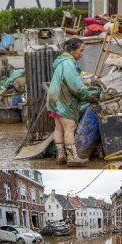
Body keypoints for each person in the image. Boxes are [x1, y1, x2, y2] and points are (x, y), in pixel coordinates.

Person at [46, 37, 100, 166]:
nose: (82, 54)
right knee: (69, 128)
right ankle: (72, 158)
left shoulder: (61, 61)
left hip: (53, 98)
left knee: (58, 128)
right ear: (72, 50)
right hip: (63, 99)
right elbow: (75, 86)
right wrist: (88, 96)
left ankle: (61, 156)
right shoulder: (68, 63)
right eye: (81, 51)